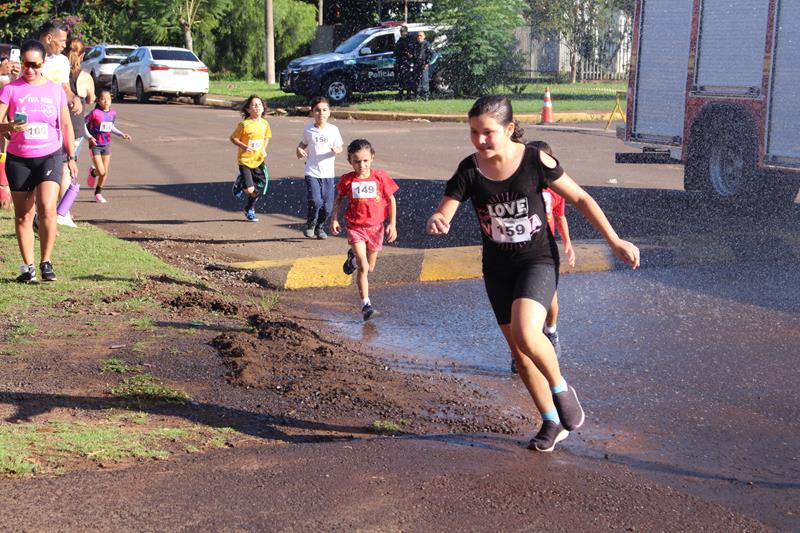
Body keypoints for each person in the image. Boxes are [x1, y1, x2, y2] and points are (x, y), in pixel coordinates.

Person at [426, 96, 639, 452]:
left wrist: (614, 240)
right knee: (520, 352)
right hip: (497, 268)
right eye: (474, 132)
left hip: (536, 260)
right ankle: (551, 421)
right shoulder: (470, 170)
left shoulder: (534, 160)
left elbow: (581, 198)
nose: (480, 140)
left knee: (528, 332)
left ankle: (561, 389)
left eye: (488, 133)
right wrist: (439, 219)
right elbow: (446, 207)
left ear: (509, 129)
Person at [0, 39, 79, 283]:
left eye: (35, 65)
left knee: (47, 207)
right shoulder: (11, 89)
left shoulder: (54, 90)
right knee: (24, 214)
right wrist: (8, 126)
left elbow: (65, 124)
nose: (30, 70)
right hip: (19, 158)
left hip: (49, 155)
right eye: (26, 64)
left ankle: (46, 262)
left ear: (43, 63)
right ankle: (28, 267)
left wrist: (71, 155)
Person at [330, 139, 398, 321]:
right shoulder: (347, 180)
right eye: (357, 161)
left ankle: (352, 260)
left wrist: (392, 224)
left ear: (372, 158)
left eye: (365, 160)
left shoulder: (380, 177)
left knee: (371, 268)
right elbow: (338, 200)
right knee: (364, 266)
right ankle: (366, 306)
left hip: (376, 229)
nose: (362, 165)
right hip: (356, 228)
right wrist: (334, 218)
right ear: (350, 161)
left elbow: (391, 200)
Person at [38, 20, 83, 227]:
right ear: (49, 38)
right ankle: (38, 214)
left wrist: (74, 98)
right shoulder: (31, 57)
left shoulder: (62, 62)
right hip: (35, 123)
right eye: (62, 41)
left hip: (58, 121)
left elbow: (65, 87)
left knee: (60, 166)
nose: (65, 45)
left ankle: (59, 213)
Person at [296, 96, 343, 239]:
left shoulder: (334, 130)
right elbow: (302, 144)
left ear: (329, 112)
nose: (321, 113)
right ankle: (310, 224)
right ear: (312, 112)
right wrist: (299, 150)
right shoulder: (308, 129)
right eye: (317, 110)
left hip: (328, 174)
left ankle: (320, 226)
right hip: (312, 171)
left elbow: (340, 146)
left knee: (327, 207)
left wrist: (337, 149)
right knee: (316, 201)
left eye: (324, 110)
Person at [62, 37, 94, 211]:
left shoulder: (57, 73)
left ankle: (55, 208)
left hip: (58, 124)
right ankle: (64, 210)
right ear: (82, 55)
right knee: (69, 167)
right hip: (75, 126)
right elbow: (91, 98)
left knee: (57, 166)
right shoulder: (85, 77)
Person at [229, 94, 271, 222]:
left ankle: (249, 208)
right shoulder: (244, 125)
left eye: (259, 105)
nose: (257, 107)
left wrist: (264, 149)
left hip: (258, 161)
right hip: (245, 161)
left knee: (259, 189)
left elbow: (266, 137)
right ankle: (241, 182)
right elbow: (233, 138)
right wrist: (243, 146)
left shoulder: (265, 124)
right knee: (250, 189)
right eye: (254, 105)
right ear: (248, 109)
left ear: (263, 108)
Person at [85, 89, 131, 203]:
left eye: (108, 99)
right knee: (100, 171)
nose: (106, 101)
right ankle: (92, 172)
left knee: (105, 172)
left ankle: (98, 193)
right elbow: (83, 123)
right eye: (103, 99)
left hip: (106, 145)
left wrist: (121, 134)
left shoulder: (112, 113)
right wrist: (89, 137)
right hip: (95, 145)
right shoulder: (94, 113)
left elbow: (111, 127)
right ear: (99, 101)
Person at [393, 26, 414, 100]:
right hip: (401, 61)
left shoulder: (410, 40)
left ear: (406, 31)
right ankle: (401, 93)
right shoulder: (400, 40)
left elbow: (413, 51)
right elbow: (396, 50)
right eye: (400, 31)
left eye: (402, 31)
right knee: (400, 79)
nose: (401, 33)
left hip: (408, 62)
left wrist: (409, 54)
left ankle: (408, 94)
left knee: (408, 79)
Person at [411, 31, 432, 101]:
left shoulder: (427, 44)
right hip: (417, 65)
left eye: (421, 35)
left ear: (424, 36)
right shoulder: (415, 45)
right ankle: (417, 96)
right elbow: (414, 55)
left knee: (424, 80)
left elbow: (430, 55)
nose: (419, 37)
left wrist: (426, 63)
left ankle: (426, 97)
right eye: (418, 36)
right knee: (416, 81)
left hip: (424, 65)